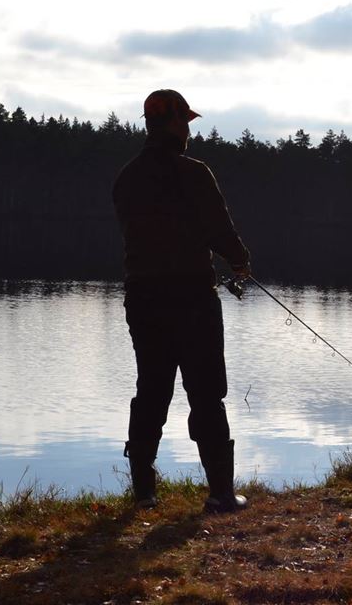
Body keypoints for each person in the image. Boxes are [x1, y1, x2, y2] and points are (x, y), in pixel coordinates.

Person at [112, 89, 251, 512]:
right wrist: (240, 261)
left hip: (143, 298)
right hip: (192, 298)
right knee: (206, 393)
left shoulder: (127, 178)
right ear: (173, 123)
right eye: (185, 122)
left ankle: (144, 494)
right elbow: (219, 229)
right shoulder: (194, 173)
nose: (189, 130)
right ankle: (221, 494)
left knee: (151, 391)